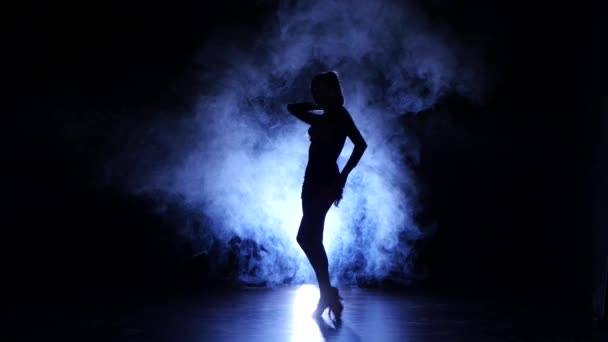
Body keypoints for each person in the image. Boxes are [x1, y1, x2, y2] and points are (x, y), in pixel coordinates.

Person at [287, 71, 367, 323]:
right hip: (311, 181)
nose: (315, 94)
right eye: (314, 90)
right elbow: (292, 108)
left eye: (320, 90)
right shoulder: (324, 116)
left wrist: (343, 177)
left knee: (308, 237)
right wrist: (319, 104)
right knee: (307, 238)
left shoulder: (340, 116)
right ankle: (327, 294)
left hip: (325, 181)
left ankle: (328, 294)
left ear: (332, 90)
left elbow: (360, 144)